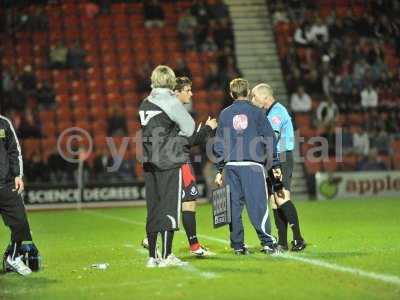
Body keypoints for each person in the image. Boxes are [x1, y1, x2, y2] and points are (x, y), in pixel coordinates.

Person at [142, 77, 217, 257]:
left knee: (167, 202)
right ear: (176, 92)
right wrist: (207, 129)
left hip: (167, 160)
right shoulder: (173, 110)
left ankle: (151, 238)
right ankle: (192, 247)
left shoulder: (162, 109)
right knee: (186, 202)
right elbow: (188, 141)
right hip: (177, 162)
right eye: (188, 90)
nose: (191, 93)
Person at [213, 78, 281, 255]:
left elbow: (219, 143)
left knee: (234, 206)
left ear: (231, 93)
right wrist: (274, 163)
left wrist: (220, 169)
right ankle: (267, 242)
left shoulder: (224, 114)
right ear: (249, 92)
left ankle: (237, 245)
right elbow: (269, 138)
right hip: (252, 165)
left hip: (231, 166)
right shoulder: (257, 112)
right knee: (258, 204)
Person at [138, 65, 195, 268]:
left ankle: (153, 257)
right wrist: (174, 139)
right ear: (170, 81)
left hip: (149, 161)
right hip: (169, 161)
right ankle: (168, 255)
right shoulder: (170, 102)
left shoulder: (145, 103)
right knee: (170, 207)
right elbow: (189, 128)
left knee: (153, 209)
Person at [251, 83, 306, 251]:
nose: (252, 100)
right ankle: (282, 242)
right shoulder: (271, 112)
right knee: (274, 201)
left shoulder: (276, 113)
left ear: (265, 97)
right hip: (274, 158)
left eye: (255, 96)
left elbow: (271, 139)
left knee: (282, 197)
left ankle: (298, 239)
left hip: (281, 158)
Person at [0, 114, 39, 276]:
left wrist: (18, 175)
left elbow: (14, 150)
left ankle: (14, 257)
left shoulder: (4, 123)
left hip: (6, 184)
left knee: (21, 223)